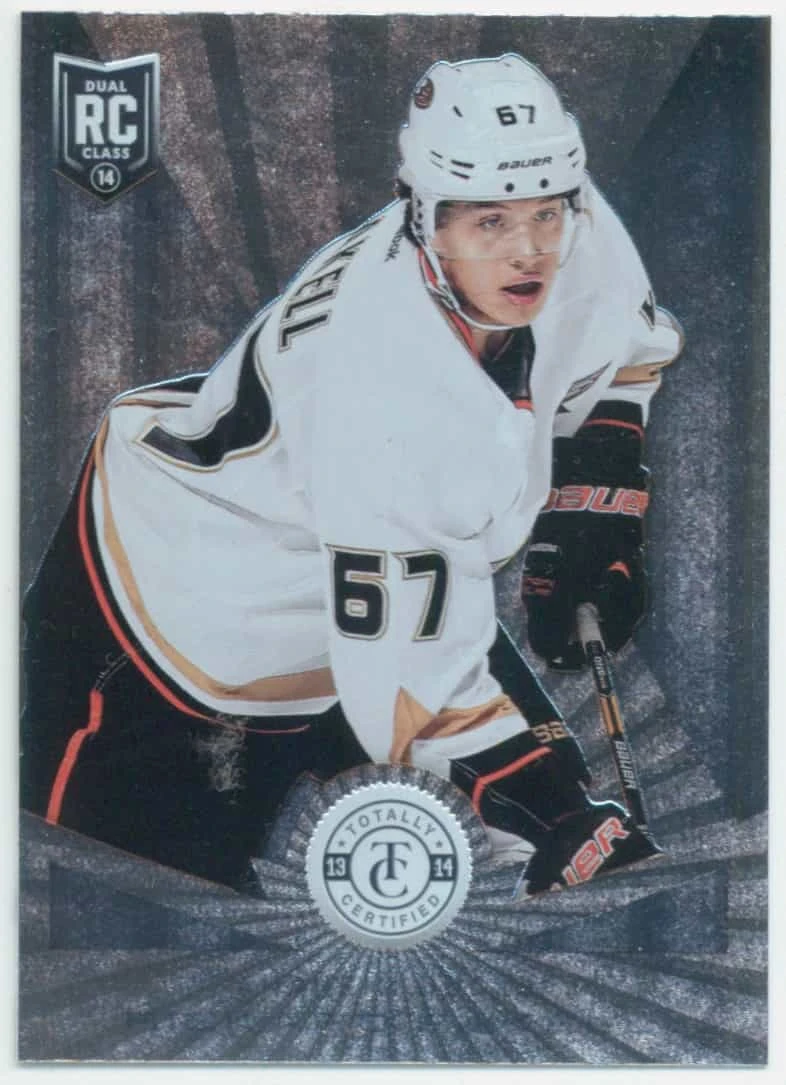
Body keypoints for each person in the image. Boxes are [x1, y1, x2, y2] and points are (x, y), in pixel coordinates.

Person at [21, 53, 682, 896]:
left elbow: (622, 349)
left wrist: (595, 499)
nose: (530, 251)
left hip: (353, 561)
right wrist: (560, 818)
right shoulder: (379, 386)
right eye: (490, 223)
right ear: (424, 219)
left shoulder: (570, 224)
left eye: (545, 214)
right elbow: (409, 692)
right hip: (165, 612)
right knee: (134, 917)